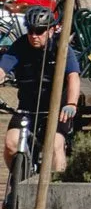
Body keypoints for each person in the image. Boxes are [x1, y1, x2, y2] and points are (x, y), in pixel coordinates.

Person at [3, 13, 82, 178]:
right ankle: (19, 182)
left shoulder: (61, 48)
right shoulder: (20, 45)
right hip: (27, 107)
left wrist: (71, 104)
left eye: (39, 31)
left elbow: (73, 77)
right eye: (30, 31)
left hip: (57, 109)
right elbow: (2, 69)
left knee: (54, 146)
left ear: (51, 30)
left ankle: (56, 189)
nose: (34, 36)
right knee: (11, 144)